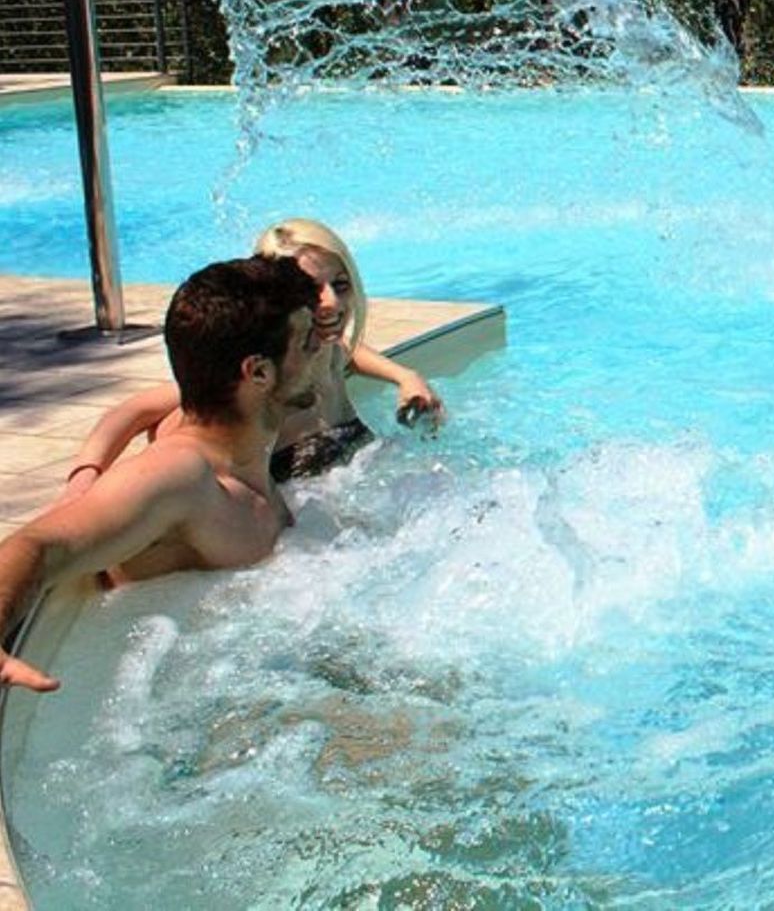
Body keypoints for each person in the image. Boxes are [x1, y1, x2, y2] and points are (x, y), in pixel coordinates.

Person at [0, 257, 324, 692]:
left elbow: (133, 409)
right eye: (306, 342)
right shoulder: (179, 474)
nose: (319, 350)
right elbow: (38, 546)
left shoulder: (241, 451)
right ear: (259, 373)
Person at [62, 218, 443, 496]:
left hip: (353, 486)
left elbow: (348, 351)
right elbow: (134, 412)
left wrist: (405, 376)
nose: (331, 302)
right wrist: (85, 478)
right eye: (312, 289)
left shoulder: (323, 349)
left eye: (341, 286)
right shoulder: (267, 376)